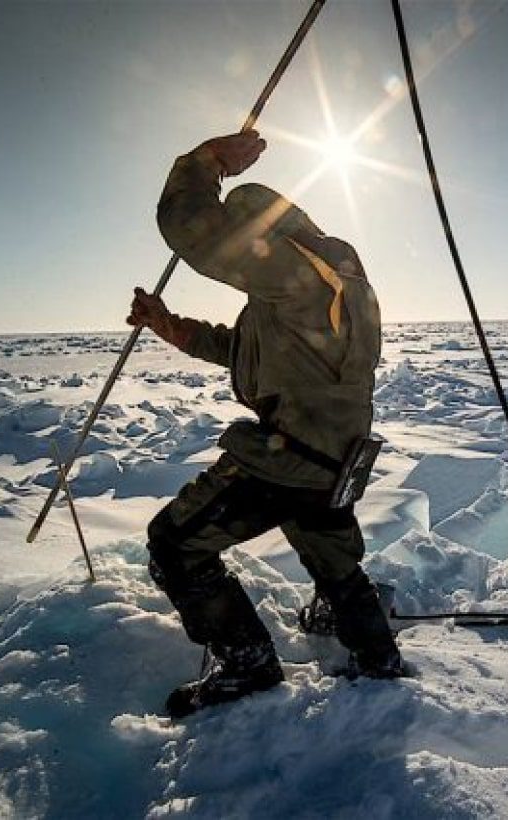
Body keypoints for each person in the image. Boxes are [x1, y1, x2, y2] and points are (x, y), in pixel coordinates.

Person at [131, 131, 403, 718]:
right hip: (339, 457)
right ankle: (378, 658)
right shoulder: (337, 281)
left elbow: (193, 231)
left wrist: (203, 163)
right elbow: (255, 351)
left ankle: (249, 664)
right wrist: (172, 328)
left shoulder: (299, 269)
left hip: (290, 455)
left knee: (175, 546)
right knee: (334, 562)